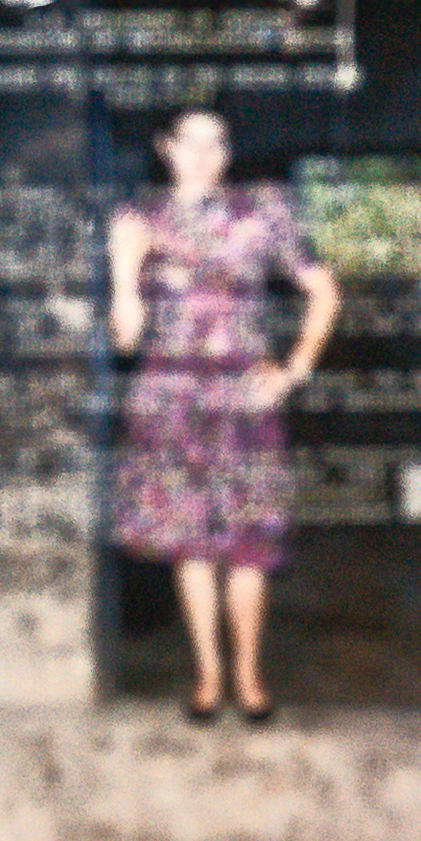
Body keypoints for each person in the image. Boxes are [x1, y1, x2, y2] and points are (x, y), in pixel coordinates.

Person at [109, 100, 339, 725]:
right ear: (165, 148)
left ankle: (249, 675)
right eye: (190, 141)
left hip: (244, 396)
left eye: (217, 142)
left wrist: (293, 369)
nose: (204, 156)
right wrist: (124, 273)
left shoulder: (263, 211)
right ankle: (208, 675)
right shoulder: (139, 218)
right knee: (190, 546)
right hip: (172, 399)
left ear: (229, 151)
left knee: (249, 545)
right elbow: (126, 338)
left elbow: (324, 292)